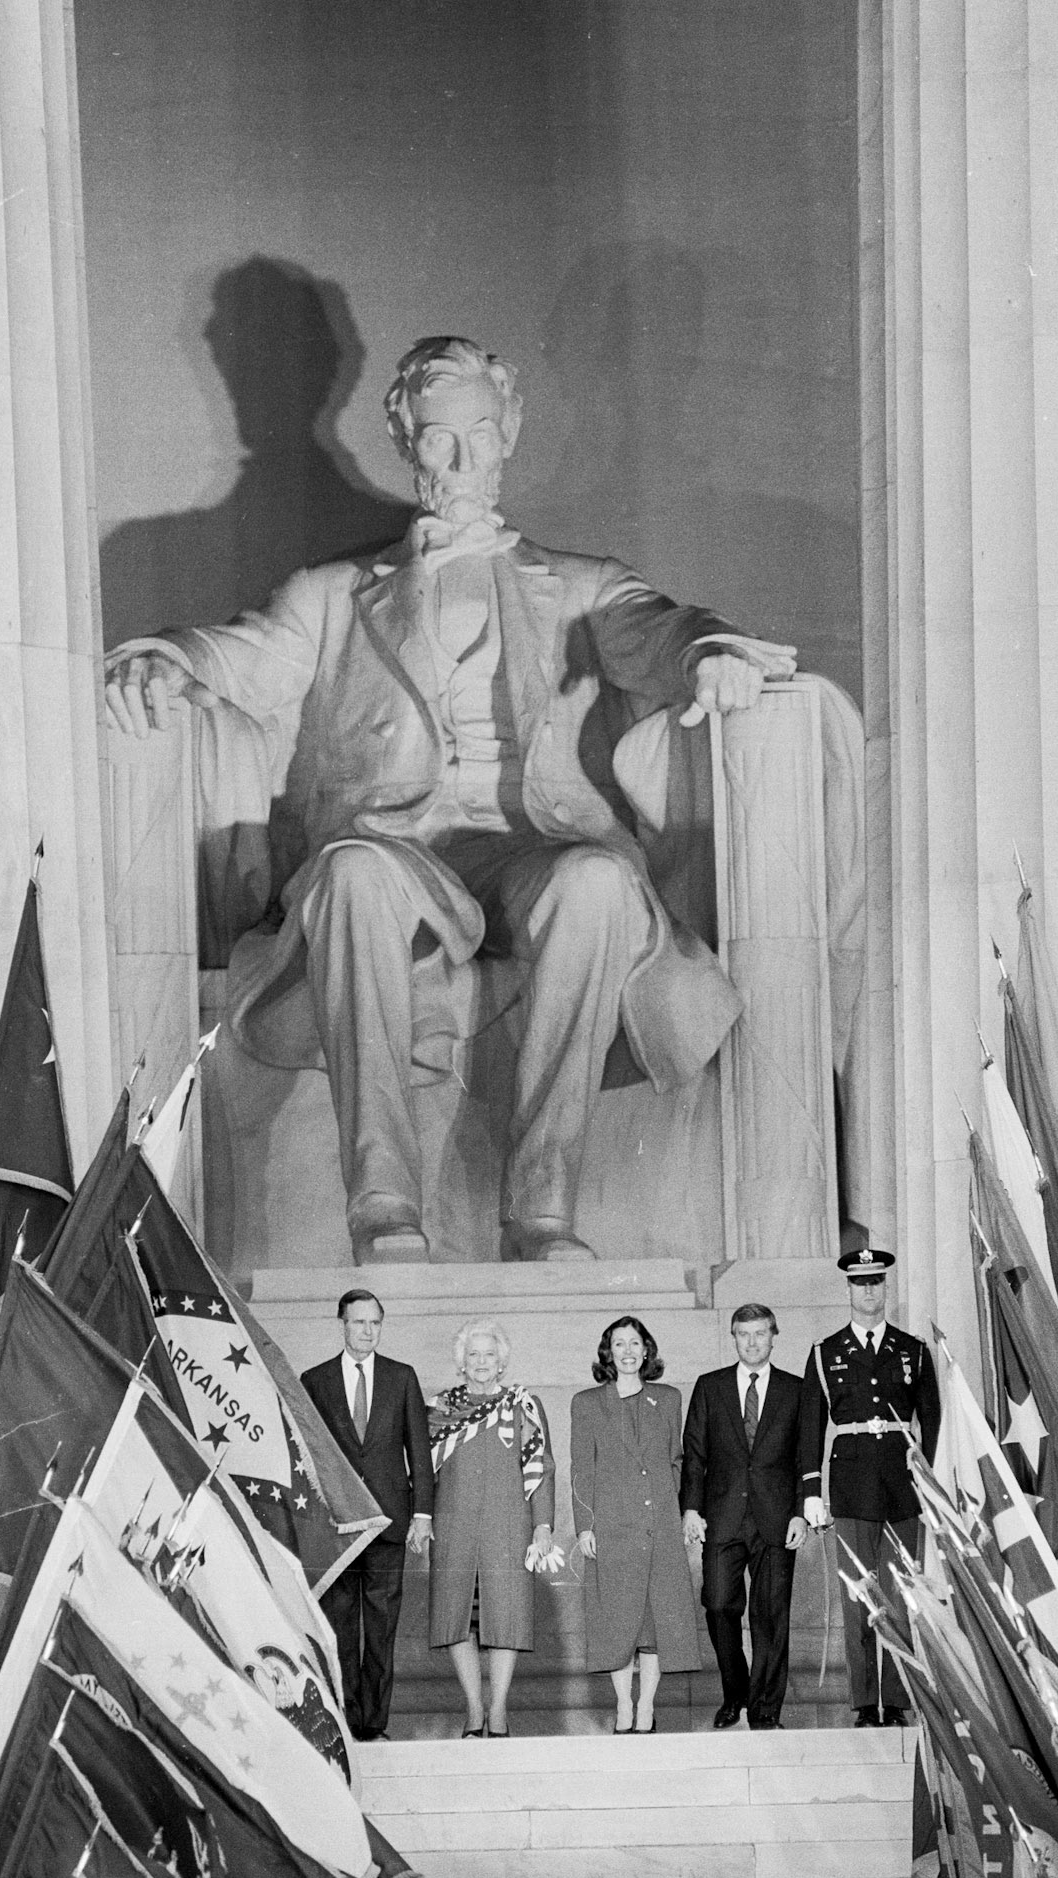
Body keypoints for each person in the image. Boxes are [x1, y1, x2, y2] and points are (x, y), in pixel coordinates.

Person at [103, 336, 799, 1265]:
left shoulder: (584, 587)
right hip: (394, 854)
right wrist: (171, 658)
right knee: (348, 875)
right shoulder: (334, 595)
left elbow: (663, 629)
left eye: (480, 431)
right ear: (408, 444)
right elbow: (242, 653)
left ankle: (542, 1212)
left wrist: (713, 655)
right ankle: (383, 1208)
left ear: (509, 430)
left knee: (598, 884)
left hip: (534, 851)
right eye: (439, 439)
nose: (463, 459)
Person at [799, 1248, 940, 1728]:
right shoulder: (826, 1353)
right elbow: (810, 1428)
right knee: (858, 1598)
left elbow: (934, 1423)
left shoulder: (912, 1349)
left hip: (902, 1487)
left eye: (876, 1282)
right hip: (853, 1485)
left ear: (886, 1288)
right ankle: (864, 1702)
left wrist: (934, 1485)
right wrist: (812, 1492)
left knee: (901, 1596)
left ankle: (898, 1700)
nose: (869, 1291)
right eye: (861, 1284)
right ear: (849, 1290)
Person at [300, 1291, 434, 1740]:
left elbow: (419, 1451)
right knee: (338, 1628)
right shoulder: (315, 1381)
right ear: (342, 1324)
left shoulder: (401, 1377)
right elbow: (308, 1458)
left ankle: (374, 1725)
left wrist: (423, 1516)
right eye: (359, 1323)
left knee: (380, 1630)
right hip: (337, 1527)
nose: (367, 1331)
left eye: (375, 1323)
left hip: (390, 1523)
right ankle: (344, 1721)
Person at [427, 1319, 559, 1738]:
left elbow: (543, 1468)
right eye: (473, 1355)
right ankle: (473, 1709)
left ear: (501, 1362)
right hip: (453, 1526)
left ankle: (498, 1710)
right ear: (461, 1363)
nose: (481, 1362)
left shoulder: (524, 1404)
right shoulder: (440, 1408)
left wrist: (542, 1526)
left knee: (505, 1618)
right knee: (457, 1619)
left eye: (489, 1355)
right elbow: (421, 1471)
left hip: (509, 1528)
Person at [680, 1304, 807, 1730]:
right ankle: (735, 1694)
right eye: (743, 1334)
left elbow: (806, 1456)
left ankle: (766, 1707)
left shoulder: (797, 1389)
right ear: (733, 1338)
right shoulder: (710, 1387)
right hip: (722, 1516)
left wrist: (801, 1514)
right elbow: (694, 1454)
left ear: (774, 1335)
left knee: (771, 1615)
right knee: (718, 1605)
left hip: (776, 1518)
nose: (752, 1342)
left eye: (759, 1333)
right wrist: (691, 1510)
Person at [570, 1317, 700, 1732]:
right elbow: (581, 1469)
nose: (628, 1351)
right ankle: (623, 1705)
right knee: (618, 1620)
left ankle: (647, 1706)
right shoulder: (587, 1403)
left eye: (635, 1343)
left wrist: (680, 1513)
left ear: (647, 1351)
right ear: (608, 1353)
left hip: (659, 1525)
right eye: (619, 1344)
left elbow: (677, 1461)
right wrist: (585, 1526)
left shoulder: (669, 1398)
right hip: (611, 1528)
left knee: (657, 1619)